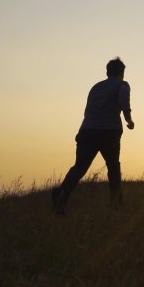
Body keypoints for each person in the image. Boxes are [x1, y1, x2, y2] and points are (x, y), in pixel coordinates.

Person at [52, 57, 135, 215]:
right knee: (113, 167)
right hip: (109, 131)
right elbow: (124, 102)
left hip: (87, 131)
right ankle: (116, 205)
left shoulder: (96, 87)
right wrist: (129, 120)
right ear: (122, 72)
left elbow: (86, 111)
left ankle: (61, 197)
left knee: (79, 168)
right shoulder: (122, 84)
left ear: (107, 71)